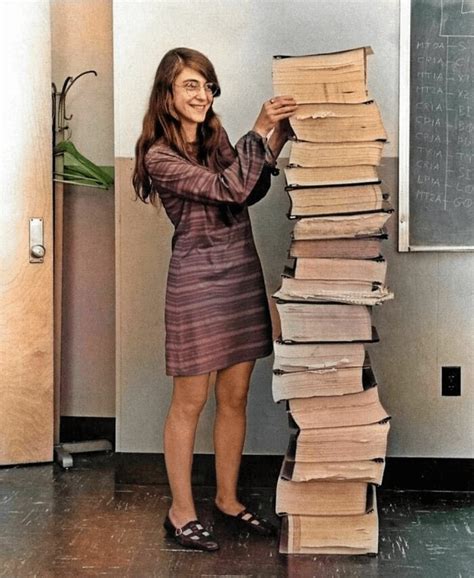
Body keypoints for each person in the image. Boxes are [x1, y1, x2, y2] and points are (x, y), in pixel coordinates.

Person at [133, 47, 297, 552]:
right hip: (196, 281)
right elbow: (226, 188)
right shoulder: (159, 156)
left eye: (206, 85)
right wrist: (259, 128)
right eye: (190, 85)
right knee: (190, 402)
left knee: (234, 396)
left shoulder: (215, 135)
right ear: (167, 92)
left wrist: (277, 140)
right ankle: (180, 512)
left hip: (239, 273)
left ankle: (227, 499)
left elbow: (245, 191)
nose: (203, 95)